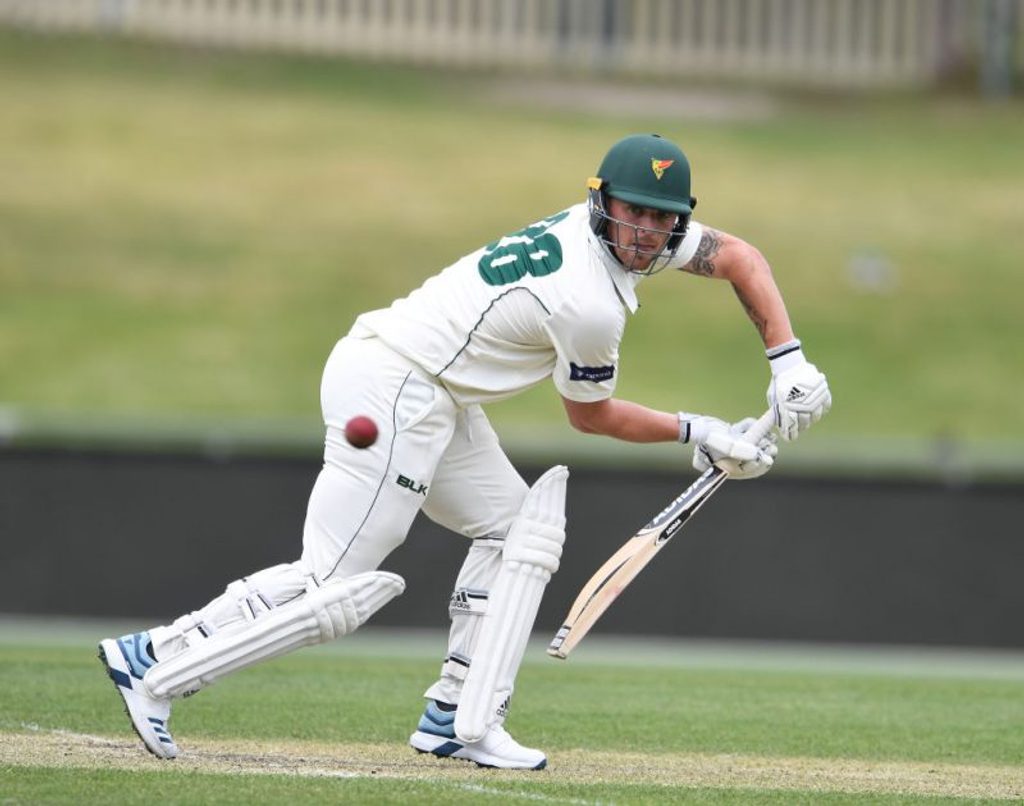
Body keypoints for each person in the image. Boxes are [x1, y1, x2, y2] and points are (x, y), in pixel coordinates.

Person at [99, 133, 830, 770]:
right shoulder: (588, 300)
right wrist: (698, 432)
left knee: (518, 532)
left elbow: (740, 256)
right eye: (634, 213)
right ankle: (156, 661)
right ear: (602, 203)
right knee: (333, 580)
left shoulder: (630, 244)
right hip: (396, 385)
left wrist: (788, 362)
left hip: (436, 391)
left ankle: (456, 716)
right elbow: (591, 417)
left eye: (662, 218)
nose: (646, 233)